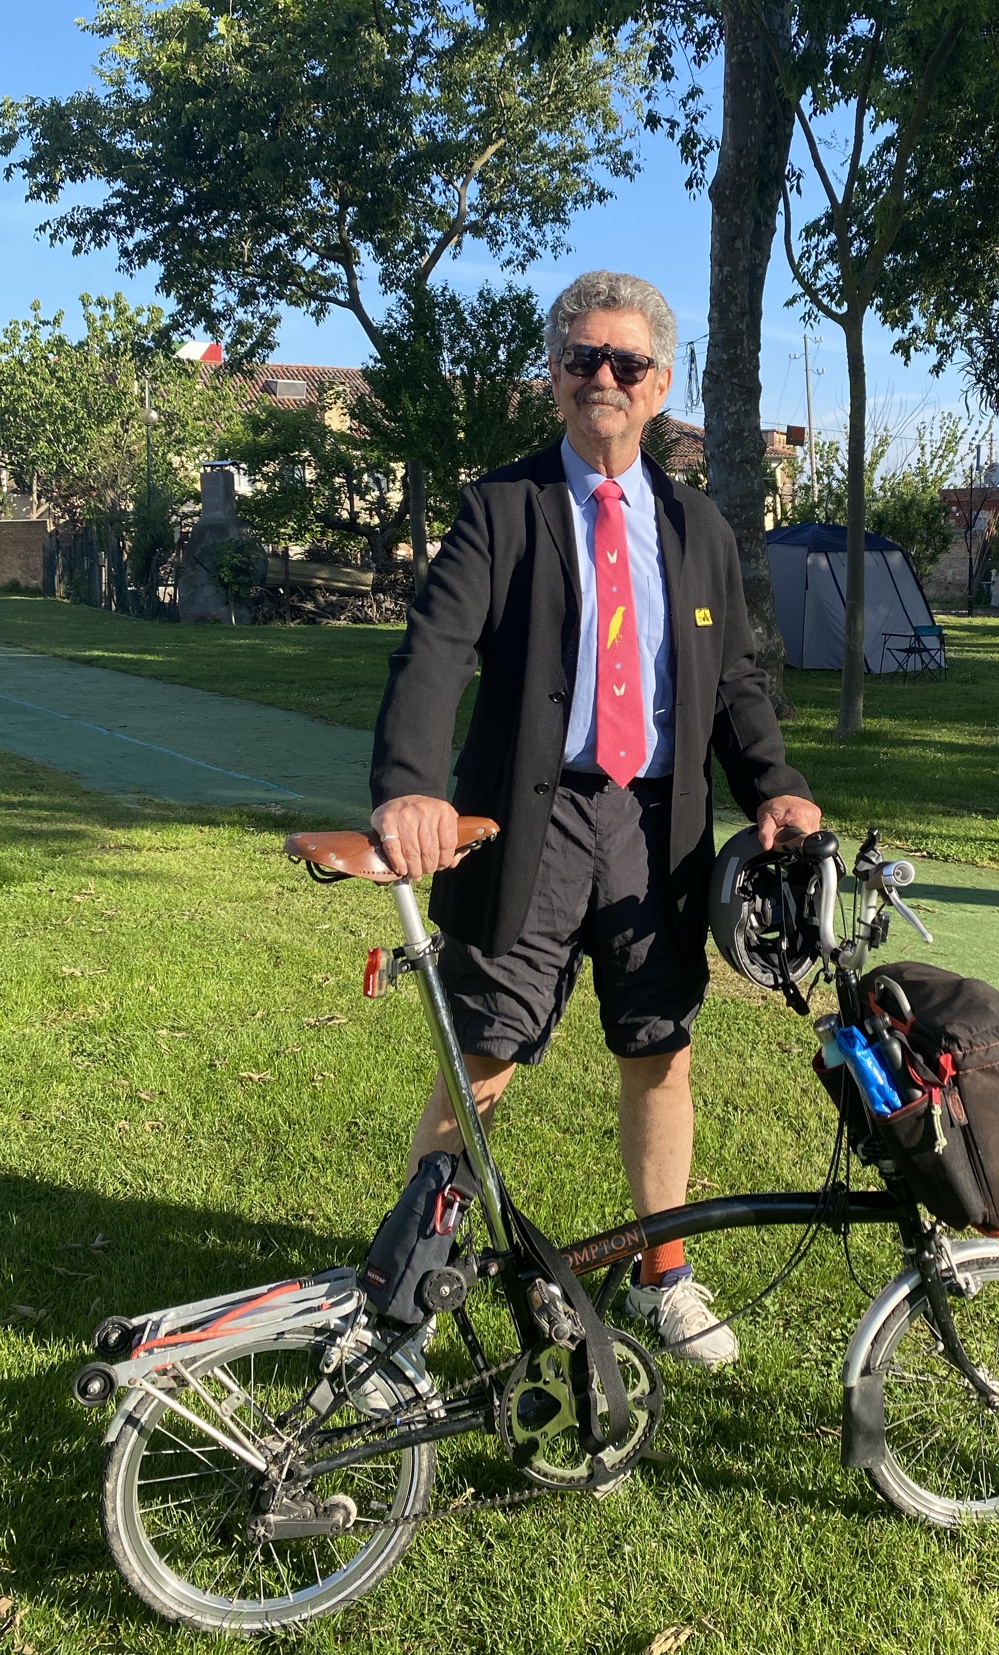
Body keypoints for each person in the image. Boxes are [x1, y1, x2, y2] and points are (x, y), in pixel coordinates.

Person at [371, 270, 821, 1366]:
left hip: (656, 830)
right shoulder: (502, 507)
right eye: (580, 359)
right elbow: (433, 649)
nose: (601, 379)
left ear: (660, 383)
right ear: (555, 378)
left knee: (661, 1052)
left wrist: (775, 787)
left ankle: (660, 1277)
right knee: (482, 1060)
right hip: (527, 824)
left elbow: (733, 684)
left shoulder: (700, 524)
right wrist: (409, 782)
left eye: (625, 363)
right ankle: (398, 1314)